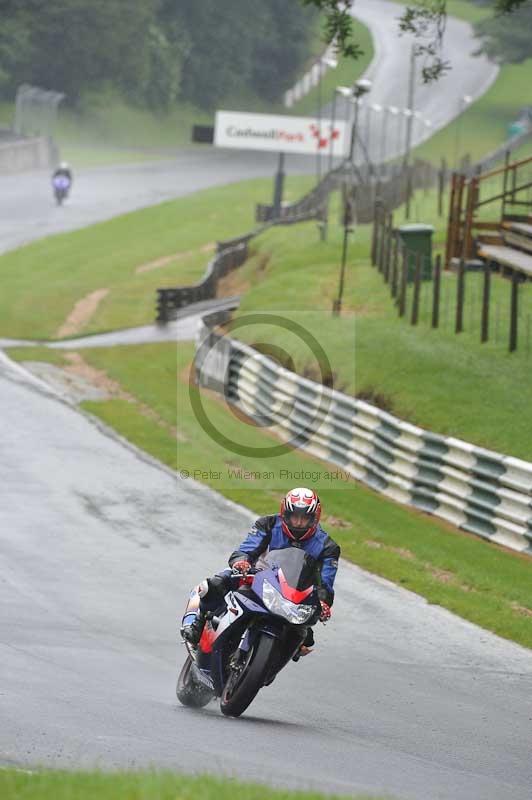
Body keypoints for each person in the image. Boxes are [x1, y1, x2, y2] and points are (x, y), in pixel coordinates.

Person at [181, 487, 340, 658]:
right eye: (294, 516)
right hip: (257, 576)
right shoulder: (268, 524)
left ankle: (274, 660)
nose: (298, 523)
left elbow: (326, 580)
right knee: (216, 583)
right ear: (284, 513)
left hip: (294, 596)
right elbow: (248, 547)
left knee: (305, 639)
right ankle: (198, 622)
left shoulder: (327, 546)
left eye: (304, 518)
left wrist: (323, 602)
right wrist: (242, 561)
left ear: (314, 518)